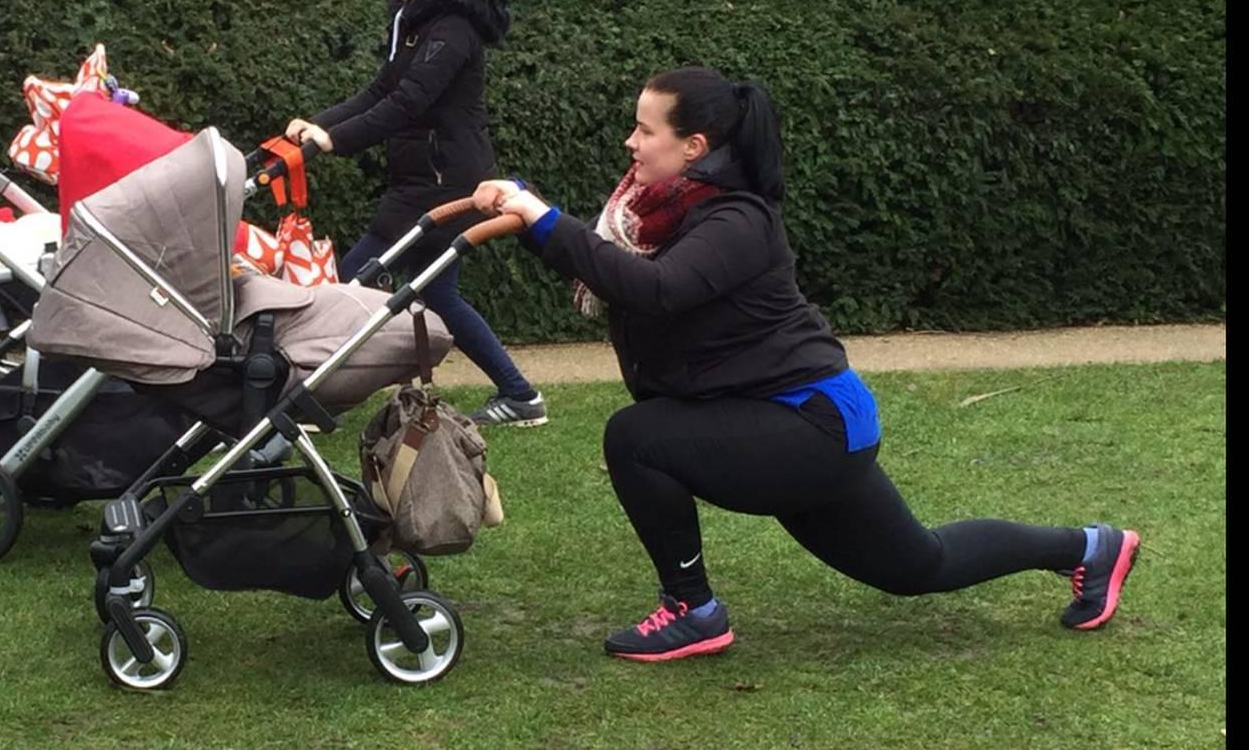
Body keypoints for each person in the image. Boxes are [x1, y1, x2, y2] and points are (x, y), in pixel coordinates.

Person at [470, 66, 1139, 660]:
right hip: (786, 419)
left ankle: (692, 611)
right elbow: (612, 266)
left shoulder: (736, 221)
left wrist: (543, 219)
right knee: (915, 566)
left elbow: (657, 291)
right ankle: (1089, 548)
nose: (631, 143)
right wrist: (533, 219)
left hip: (813, 424)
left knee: (636, 439)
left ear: (694, 147)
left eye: (645, 131)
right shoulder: (661, 216)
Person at [284, 0, 543, 427]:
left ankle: (303, 398)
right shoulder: (422, 19)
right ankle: (521, 396)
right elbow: (384, 88)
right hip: (431, 175)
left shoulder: (451, 27)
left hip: (440, 181)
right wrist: (317, 125)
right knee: (437, 291)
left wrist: (335, 140)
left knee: (347, 283)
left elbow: (409, 102)